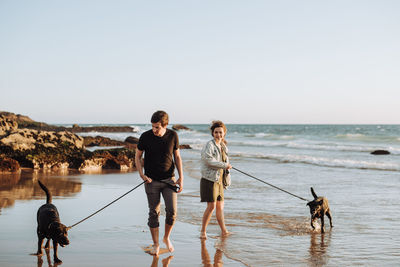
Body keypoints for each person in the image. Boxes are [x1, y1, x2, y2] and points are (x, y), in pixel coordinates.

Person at [135, 110, 184, 256]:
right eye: (152, 126)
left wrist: (181, 177)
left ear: (165, 125)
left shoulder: (173, 135)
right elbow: (137, 156)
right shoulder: (145, 136)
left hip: (169, 180)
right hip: (151, 181)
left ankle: (166, 238)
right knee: (153, 213)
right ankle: (156, 244)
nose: (154, 130)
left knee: (172, 212)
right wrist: (142, 174)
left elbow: (177, 157)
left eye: (157, 127)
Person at [200, 120, 232, 239]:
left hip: (219, 180)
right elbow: (208, 160)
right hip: (209, 179)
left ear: (224, 133)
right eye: (216, 132)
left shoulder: (223, 146)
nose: (218, 134)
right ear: (213, 133)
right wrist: (224, 165)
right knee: (211, 206)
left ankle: (224, 231)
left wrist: (226, 178)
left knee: (220, 207)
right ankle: (203, 231)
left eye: (220, 132)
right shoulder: (210, 145)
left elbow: (225, 164)